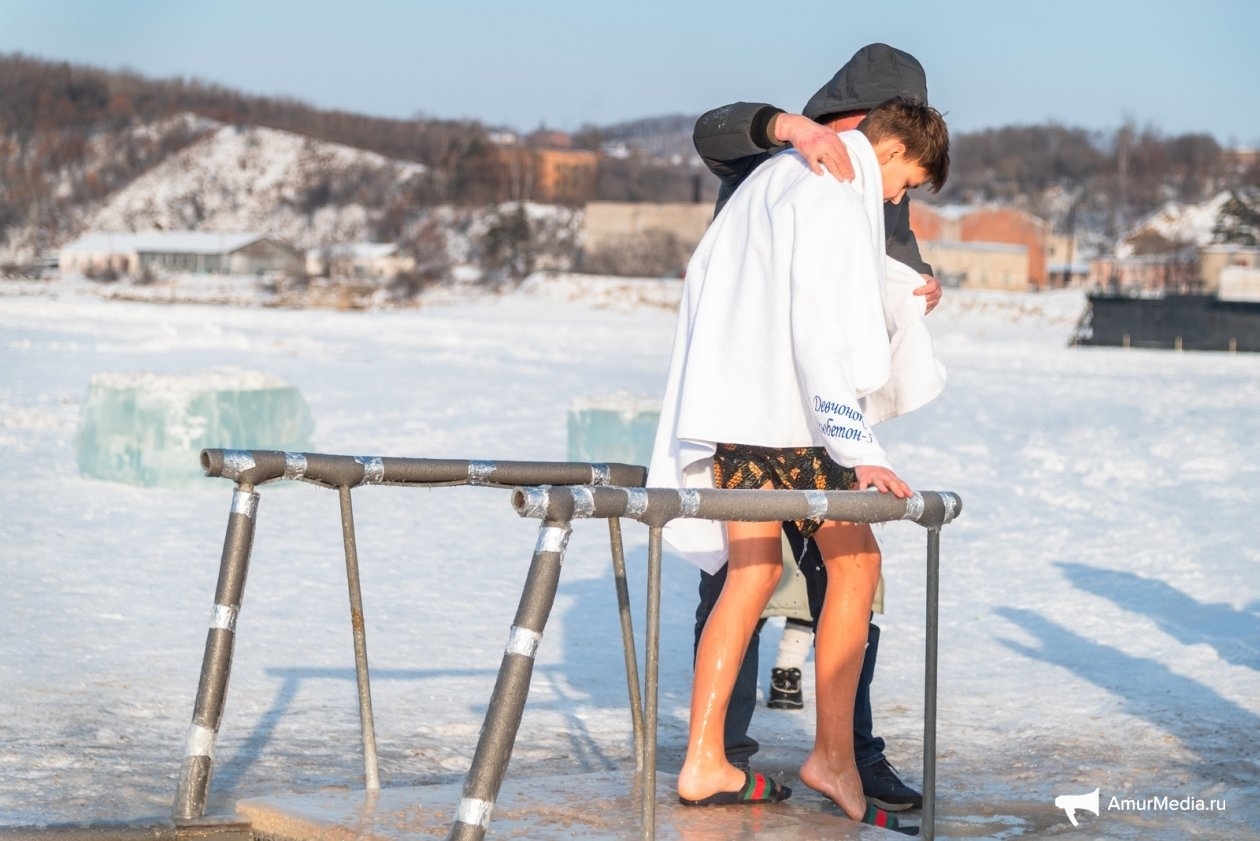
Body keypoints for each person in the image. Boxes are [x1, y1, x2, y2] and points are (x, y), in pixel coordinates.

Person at [648, 97, 950, 834]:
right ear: (890, 150)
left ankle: (706, 759)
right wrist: (859, 449)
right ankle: (834, 758)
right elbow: (819, 327)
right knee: (856, 566)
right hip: (794, 425)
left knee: (750, 575)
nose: (899, 198)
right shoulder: (834, 187)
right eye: (907, 181)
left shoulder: (775, 177)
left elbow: (718, 276)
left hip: (732, 416)